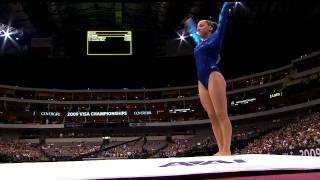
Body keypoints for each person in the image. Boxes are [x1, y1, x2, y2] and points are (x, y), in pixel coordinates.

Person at [184, 2, 236, 156]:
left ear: (210, 28)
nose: (199, 28)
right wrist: (190, 24)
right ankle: (221, 149)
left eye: (201, 26)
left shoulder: (216, 37)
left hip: (213, 75)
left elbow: (222, 19)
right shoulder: (199, 43)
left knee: (221, 114)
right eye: (198, 26)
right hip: (201, 80)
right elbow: (194, 33)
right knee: (212, 116)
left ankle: (226, 150)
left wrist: (226, 5)